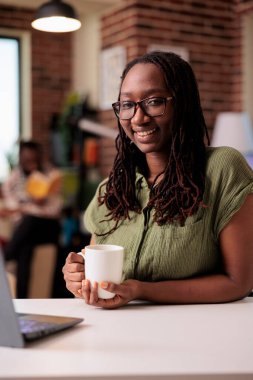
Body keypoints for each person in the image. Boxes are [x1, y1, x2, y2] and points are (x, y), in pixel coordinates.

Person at [62, 51, 253, 309]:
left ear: (181, 103)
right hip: (114, 337)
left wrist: (140, 290)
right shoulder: (111, 189)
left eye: (153, 101)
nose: (139, 117)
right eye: (127, 105)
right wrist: (80, 279)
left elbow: (237, 282)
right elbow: (99, 280)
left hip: (197, 337)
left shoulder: (223, 169)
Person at [1, 140, 63, 298]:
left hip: (47, 227)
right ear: (21, 159)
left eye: (35, 160)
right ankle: (22, 300)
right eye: (28, 161)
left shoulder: (51, 175)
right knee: (24, 249)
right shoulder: (14, 178)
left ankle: (6, 256)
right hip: (27, 232)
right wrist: (30, 204)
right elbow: (9, 203)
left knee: (30, 220)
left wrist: (28, 206)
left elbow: (55, 209)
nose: (32, 165)